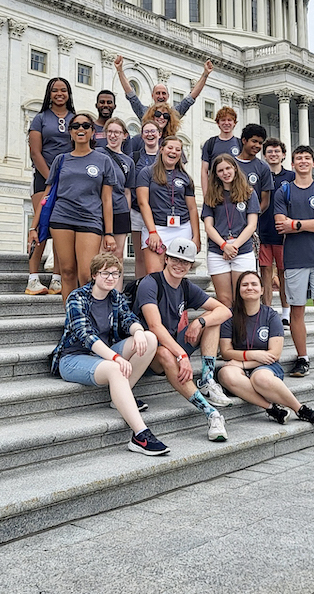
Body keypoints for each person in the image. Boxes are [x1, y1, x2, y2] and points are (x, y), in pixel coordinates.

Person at [51, 253, 169, 456]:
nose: (111, 278)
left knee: (149, 339)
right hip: (74, 359)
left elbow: (128, 318)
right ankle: (140, 435)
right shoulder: (77, 297)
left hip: (102, 355)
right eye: (105, 273)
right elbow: (85, 335)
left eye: (115, 273)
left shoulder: (115, 296)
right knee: (116, 368)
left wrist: (139, 331)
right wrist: (115, 358)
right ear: (95, 275)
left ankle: (121, 398)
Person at [136, 238, 233, 442]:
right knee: (163, 351)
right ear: (166, 258)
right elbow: (154, 327)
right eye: (175, 259)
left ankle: (206, 380)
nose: (179, 265)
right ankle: (211, 413)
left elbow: (224, 311)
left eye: (185, 262)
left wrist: (200, 322)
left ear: (190, 265)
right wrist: (181, 355)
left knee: (211, 321)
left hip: (172, 343)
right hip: (148, 352)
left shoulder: (186, 286)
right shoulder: (150, 283)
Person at [27, 113, 117, 303]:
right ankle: (71, 318)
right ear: (70, 132)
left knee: (86, 274)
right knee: (67, 272)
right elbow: (47, 195)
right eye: (75, 126)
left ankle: (87, 315)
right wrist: (33, 227)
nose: (80, 129)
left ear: (93, 131)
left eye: (85, 126)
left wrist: (109, 232)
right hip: (61, 219)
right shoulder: (61, 160)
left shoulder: (103, 160)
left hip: (90, 219)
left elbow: (107, 200)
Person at [218, 271, 314, 426]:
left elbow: (274, 354)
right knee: (225, 374)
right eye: (245, 285)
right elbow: (226, 352)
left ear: (262, 290)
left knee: (259, 378)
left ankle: (300, 409)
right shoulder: (230, 316)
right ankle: (271, 408)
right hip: (244, 361)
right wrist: (255, 354)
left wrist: (243, 363)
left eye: (254, 284)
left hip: (265, 365)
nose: (249, 288)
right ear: (239, 290)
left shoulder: (270, 315)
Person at [274, 144, 314, 383]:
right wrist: (310, 223)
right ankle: (302, 357)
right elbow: (281, 223)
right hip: (295, 259)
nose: (302, 161)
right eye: (298, 158)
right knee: (297, 310)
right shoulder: (284, 191)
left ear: (313, 163)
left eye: (307, 158)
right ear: (292, 164)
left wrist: (296, 225)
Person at [27, 77, 76, 296]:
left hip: (69, 180)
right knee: (41, 227)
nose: (59, 94)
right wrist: (51, 179)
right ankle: (33, 279)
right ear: (49, 93)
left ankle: (57, 279)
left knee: (61, 228)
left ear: (68, 93)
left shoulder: (75, 118)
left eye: (63, 90)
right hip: (43, 178)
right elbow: (35, 152)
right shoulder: (40, 119)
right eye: (55, 90)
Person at [202, 154, 260, 308]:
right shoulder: (211, 195)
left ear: (235, 168)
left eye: (228, 168)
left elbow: (252, 225)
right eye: (220, 170)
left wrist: (234, 247)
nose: (225, 173)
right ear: (216, 174)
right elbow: (208, 226)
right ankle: (228, 332)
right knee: (225, 300)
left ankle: (243, 332)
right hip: (218, 252)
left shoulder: (248, 193)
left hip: (243, 250)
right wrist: (224, 246)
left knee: (243, 299)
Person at [136, 136, 200, 273]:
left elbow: (192, 208)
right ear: (161, 149)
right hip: (156, 227)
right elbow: (143, 203)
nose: (173, 152)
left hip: (182, 228)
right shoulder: (146, 173)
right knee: (155, 273)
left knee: (177, 273)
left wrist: (196, 236)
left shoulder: (185, 177)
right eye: (170, 148)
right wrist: (152, 232)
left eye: (178, 149)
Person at [258, 138, 295, 323]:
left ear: (283, 155)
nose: (273, 155)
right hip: (262, 230)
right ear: (264, 155)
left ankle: (286, 314)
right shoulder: (260, 175)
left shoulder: (290, 177)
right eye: (270, 152)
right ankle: (267, 311)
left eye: (277, 151)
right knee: (265, 272)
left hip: (283, 233)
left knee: (283, 273)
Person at [114, 55, 214, 120]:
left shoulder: (174, 113)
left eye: (163, 93)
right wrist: (120, 70)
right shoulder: (144, 112)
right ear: (153, 95)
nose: (161, 96)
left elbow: (192, 97)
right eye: (158, 93)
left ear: (168, 96)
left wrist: (205, 75)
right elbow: (131, 95)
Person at [101, 117, 135, 290]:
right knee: (102, 254)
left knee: (118, 254)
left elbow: (128, 190)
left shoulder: (128, 162)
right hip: (100, 210)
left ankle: (117, 293)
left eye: (117, 132)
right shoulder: (98, 154)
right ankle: (99, 291)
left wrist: (126, 212)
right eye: (110, 132)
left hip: (120, 210)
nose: (113, 135)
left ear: (124, 136)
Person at [130, 121, 160, 279]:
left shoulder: (165, 157)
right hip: (137, 211)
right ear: (142, 135)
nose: (150, 134)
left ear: (159, 134)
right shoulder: (135, 157)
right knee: (140, 256)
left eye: (153, 131)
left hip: (160, 213)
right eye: (146, 131)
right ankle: (139, 289)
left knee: (162, 254)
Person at [200, 106, 241, 195]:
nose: (226, 123)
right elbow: (204, 170)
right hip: (216, 190)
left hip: (236, 190)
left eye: (229, 120)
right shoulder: (210, 143)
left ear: (234, 123)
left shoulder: (240, 144)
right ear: (218, 123)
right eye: (223, 120)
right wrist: (206, 194)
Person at [234, 124, 273, 214]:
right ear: (244, 140)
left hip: (251, 224)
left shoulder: (263, 168)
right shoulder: (230, 164)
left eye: (260, 143)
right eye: (254, 141)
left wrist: (252, 217)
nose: (257, 145)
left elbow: (265, 201)